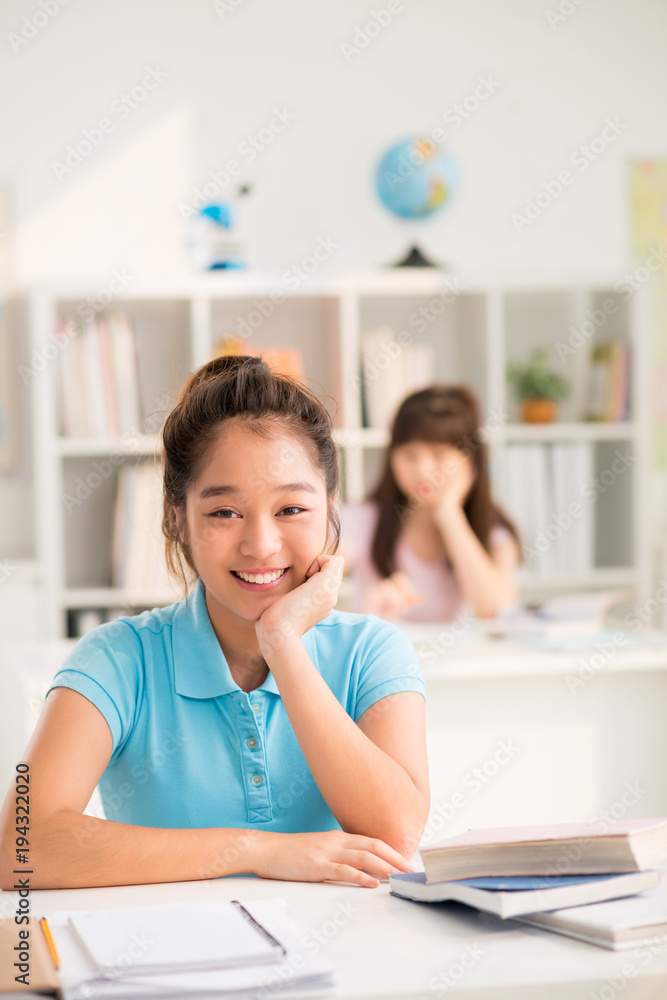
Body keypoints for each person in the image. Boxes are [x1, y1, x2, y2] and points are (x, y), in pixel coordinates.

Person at [0, 356, 429, 890]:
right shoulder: (117, 659)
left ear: (330, 508)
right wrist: (255, 850)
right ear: (178, 517)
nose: (261, 545)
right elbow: (22, 847)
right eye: (224, 512)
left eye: (291, 509)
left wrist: (283, 644)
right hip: (163, 956)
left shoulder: (372, 651)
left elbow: (397, 834)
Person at [341, 384, 520, 621]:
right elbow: (308, 595)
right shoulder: (359, 519)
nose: (423, 470)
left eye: (439, 454)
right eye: (409, 455)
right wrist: (364, 614)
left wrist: (448, 513)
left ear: (469, 459)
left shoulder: (495, 532)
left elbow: (496, 609)